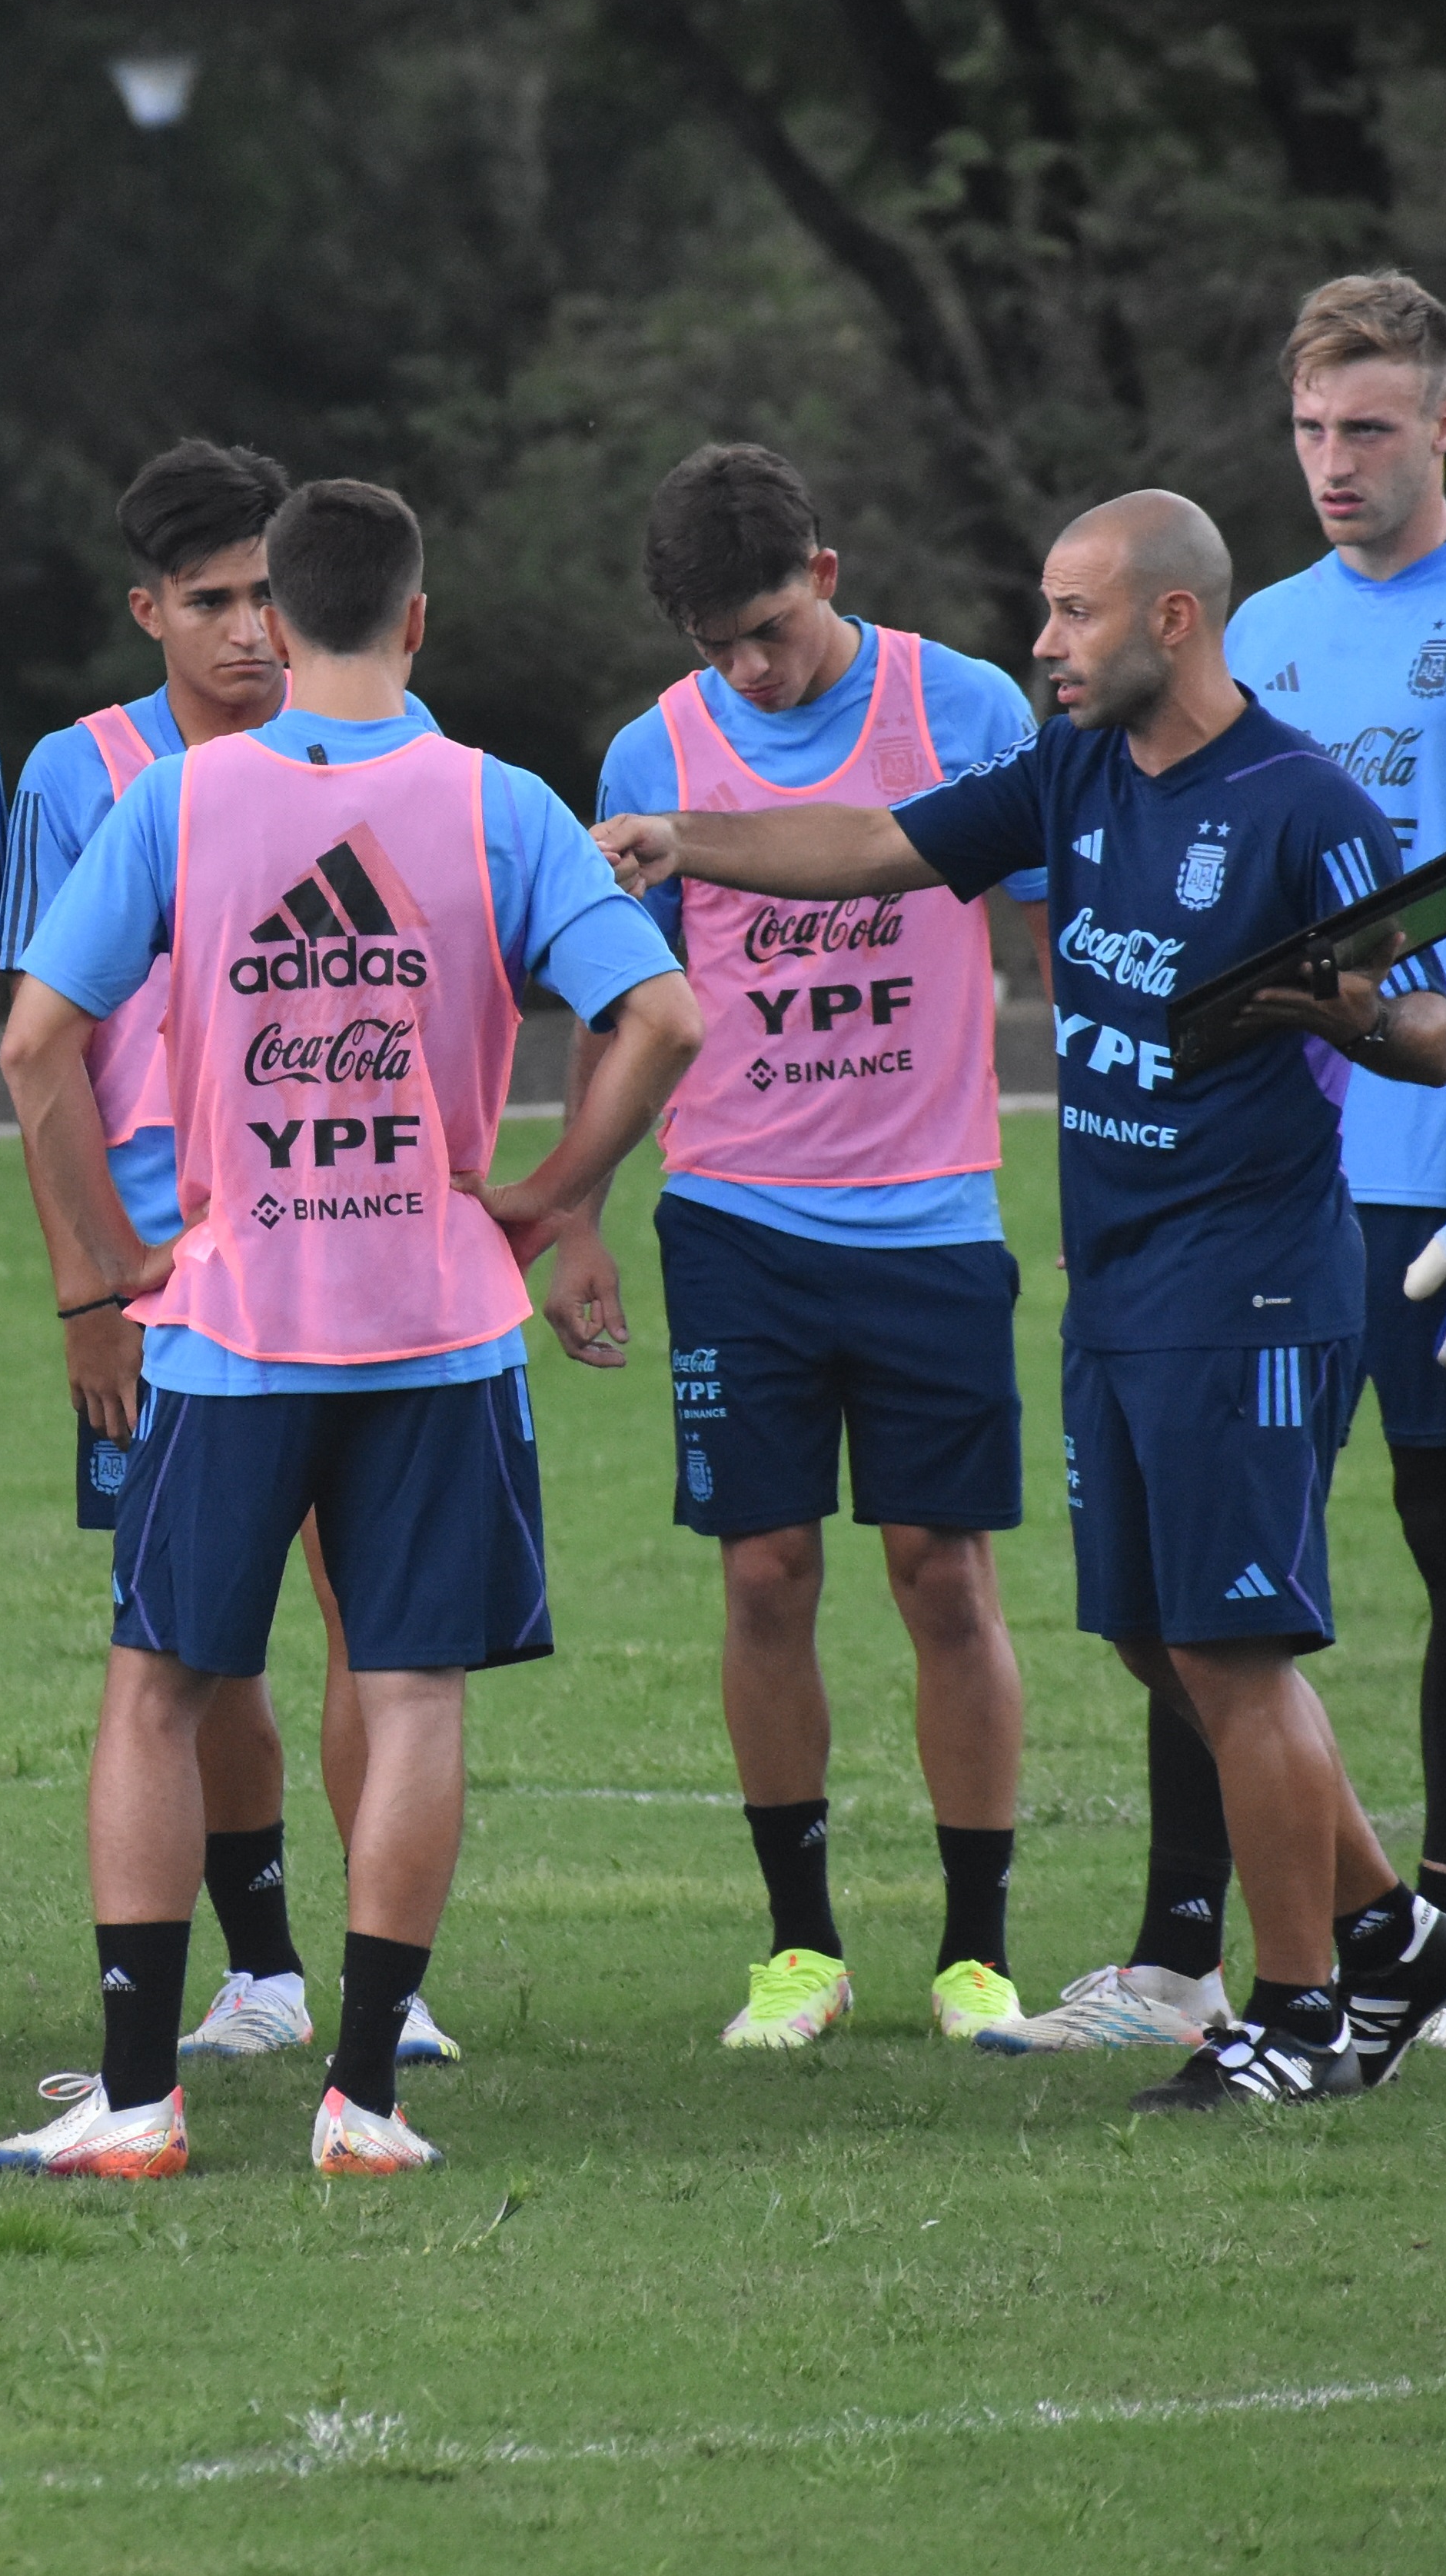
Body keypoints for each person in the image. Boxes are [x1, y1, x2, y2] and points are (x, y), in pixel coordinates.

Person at [597, 489, 1446, 2112]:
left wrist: (1345, 1003)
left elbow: (1432, 1028)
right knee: (1158, 1635)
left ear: (1169, 619)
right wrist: (690, 839)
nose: (1041, 642)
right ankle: (1393, 1933)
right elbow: (874, 842)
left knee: (1233, 1649)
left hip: (1251, 1278)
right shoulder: (1074, 770)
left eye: (1071, 612)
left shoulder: (1298, 803)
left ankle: (1296, 2012)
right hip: (1120, 1271)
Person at [0, 479, 700, 2179]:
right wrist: (545, 1194)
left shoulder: (178, 800)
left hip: (233, 1322)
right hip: (439, 1325)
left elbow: (33, 1045)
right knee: (412, 1697)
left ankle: (139, 2102)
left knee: (157, 1689)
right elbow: (663, 1015)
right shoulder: (497, 803)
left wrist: (108, 1260)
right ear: (418, 618)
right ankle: (367, 2101)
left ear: (277, 625)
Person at [998, 274, 1446, 2056]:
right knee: (1203, 1580)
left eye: (1368, 426)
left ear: (1444, 423)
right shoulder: (1248, 627)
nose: (1333, 461)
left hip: (1441, 1173)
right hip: (1252, 1168)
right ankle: (1184, 1948)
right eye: (1307, 429)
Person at [557, 445, 1042, 2053]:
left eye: (769, 628)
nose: (749, 669)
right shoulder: (653, 749)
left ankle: (974, 1954)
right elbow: (623, 1000)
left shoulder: (960, 704)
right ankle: (799, 1947)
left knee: (942, 1577)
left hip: (929, 1218)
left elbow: (1064, 903)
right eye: (720, 647)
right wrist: (578, 1212)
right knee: (763, 1575)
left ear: (824, 574)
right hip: (739, 1222)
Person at [0, 438, 454, 2074]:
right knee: (196, 1636)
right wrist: (83, 1290)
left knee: (369, 1614)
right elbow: (41, 1043)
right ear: (149, 613)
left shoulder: (373, 756)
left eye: (271, 592)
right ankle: (259, 1965)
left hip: (361, 1253)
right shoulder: (83, 776)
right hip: (169, 1271)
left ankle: (381, 1971)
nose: (253, 629)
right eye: (213, 603)